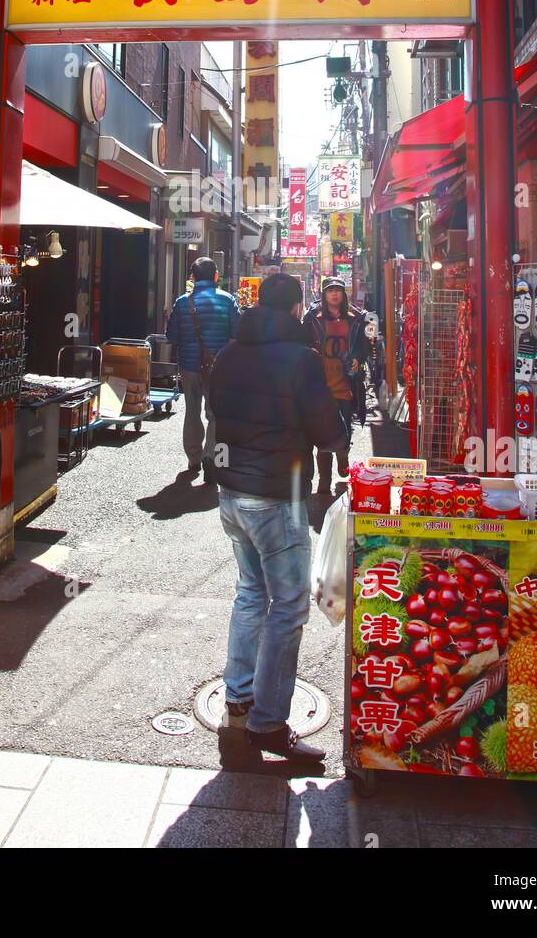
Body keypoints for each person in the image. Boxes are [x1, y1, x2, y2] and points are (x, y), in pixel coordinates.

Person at [209, 271, 343, 766]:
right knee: (287, 607)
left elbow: (215, 410)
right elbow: (328, 430)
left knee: (250, 594)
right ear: (294, 309)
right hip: (276, 495)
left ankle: (238, 705)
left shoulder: (229, 353)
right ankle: (268, 723)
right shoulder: (303, 359)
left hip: (232, 492)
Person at [165, 256, 239, 480]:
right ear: (216, 276)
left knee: (192, 411)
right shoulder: (227, 301)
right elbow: (237, 335)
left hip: (189, 366)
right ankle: (211, 457)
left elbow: (172, 336)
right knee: (215, 415)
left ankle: (193, 459)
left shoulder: (181, 303)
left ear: (192, 277)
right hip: (219, 368)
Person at [302, 276, 371, 493]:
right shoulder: (313, 318)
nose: (334, 294)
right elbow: (304, 345)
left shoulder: (356, 319)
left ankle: (343, 456)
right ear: (324, 294)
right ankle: (324, 480)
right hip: (320, 385)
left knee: (344, 431)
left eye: (338, 290)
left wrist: (358, 358)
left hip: (346, 384)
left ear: (343, 294)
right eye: (330, 290)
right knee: (322, 434)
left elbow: (364, 347)